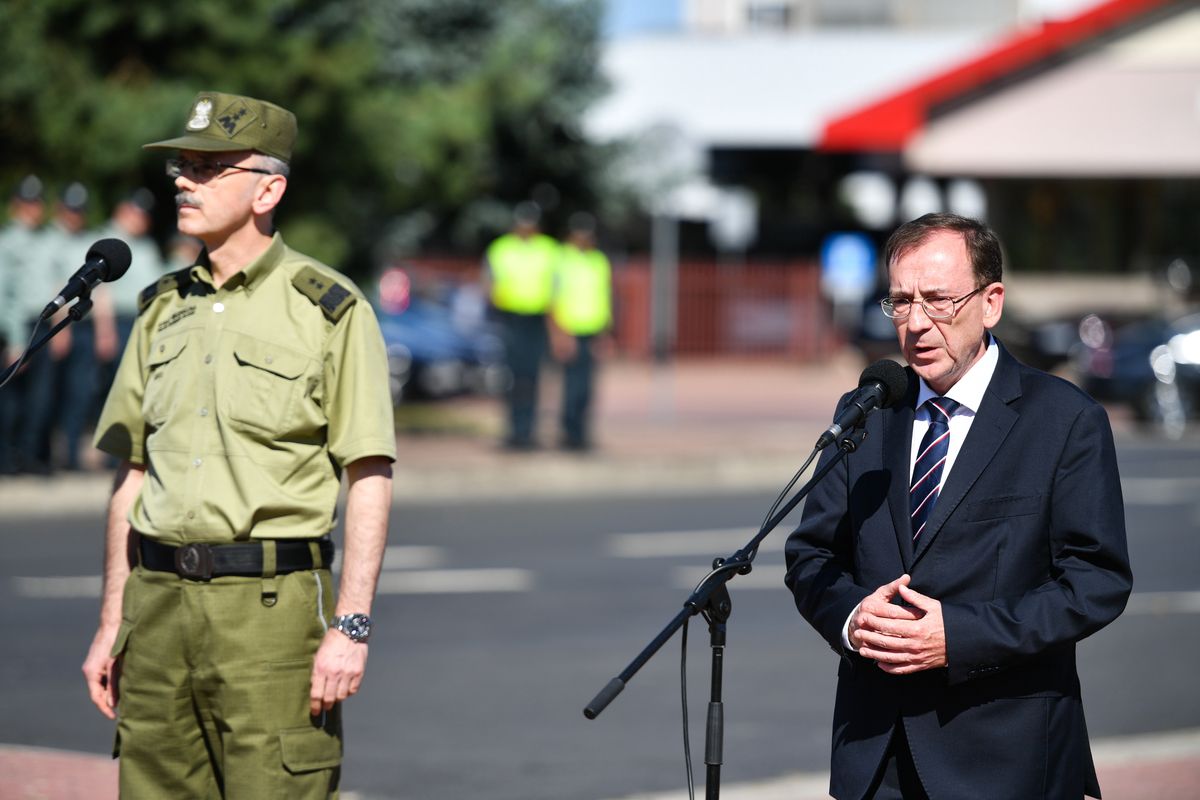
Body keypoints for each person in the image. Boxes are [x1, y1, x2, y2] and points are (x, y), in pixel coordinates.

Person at [81, 91, 396, 798]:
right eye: (182, 167)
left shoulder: (327, 308)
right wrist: (112, 623)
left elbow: (368, 472)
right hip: (156, 611)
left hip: (271, 616)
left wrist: (351, 625)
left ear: (268, 189)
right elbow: (130, 477)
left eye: (210, 167)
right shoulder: (161, 307)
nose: (185, 182)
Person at [784, 213, 1132, 800]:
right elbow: (813, 554)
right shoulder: (866, 412)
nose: (916, 323)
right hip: (874, 758)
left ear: (991, 302)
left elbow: (1095, 581)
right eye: (901, 302)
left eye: (939, 301)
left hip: (1005, 760)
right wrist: (852, 618)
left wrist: (960, 636)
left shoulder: (1065, 420)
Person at [483, 201, 559, 449]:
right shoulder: (502, 248)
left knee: (533, 377)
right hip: (510, 319)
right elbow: (488, 281)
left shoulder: (549, 249)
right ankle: (514, 430)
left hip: (537, 319)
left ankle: (528, 431)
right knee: (512, 378)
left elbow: (558, 286)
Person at [549, 212, 612, 450]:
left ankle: (582, 434)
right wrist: (559, 334)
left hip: (593, 330)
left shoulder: (599, 261)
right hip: (569, 331)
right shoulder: (561, 260)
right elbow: (552, 300)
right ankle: (569, 433)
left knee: (587, 388)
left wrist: (605, 334)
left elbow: (604, 298)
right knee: (572, 387)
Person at [0, 175, 47, 473]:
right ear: (16, 205)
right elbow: (7, 293)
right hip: (16, 328)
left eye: (36, 202)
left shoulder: (43, 240)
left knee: (38, 397)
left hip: (39, 323)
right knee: (11, 400)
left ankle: (29, 455)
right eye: (27, 203)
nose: (33, 208)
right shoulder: (8, 241)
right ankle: (6, 458)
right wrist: (17, 338)